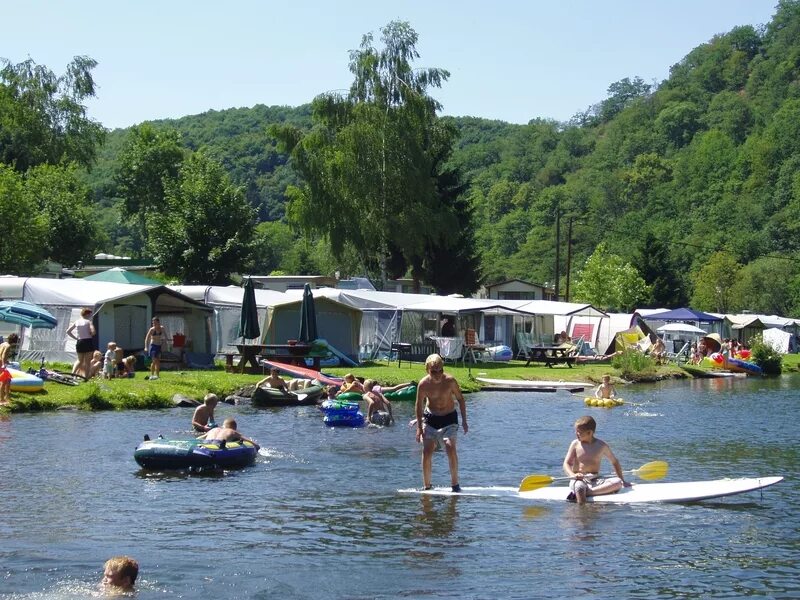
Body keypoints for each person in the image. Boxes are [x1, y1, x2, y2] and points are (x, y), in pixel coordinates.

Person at [415, 353, 468, 492]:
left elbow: (461, 399)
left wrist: (464, 421)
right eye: (434, 372)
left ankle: (455, 485)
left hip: (449, 418)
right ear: (427, 370)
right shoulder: (423, 384)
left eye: (440, 371)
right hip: (431, 418)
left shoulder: (450, 381)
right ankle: (427, 486)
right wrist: (419, 428)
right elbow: (418, 405)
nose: (438, 374)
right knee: (427, 451)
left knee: (450, 447)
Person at [563, 415, 629, 505]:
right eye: (576, 431)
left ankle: (589, 492)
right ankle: (583, 511)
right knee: (580, 487)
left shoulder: (601, 445)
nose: (576, 434)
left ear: (590, 433)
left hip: (595, 479)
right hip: (579, 479)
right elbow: (567, 463)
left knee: (617, 482)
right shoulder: (575, 444)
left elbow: (615, 462)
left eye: (579, 432)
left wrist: (623, 480)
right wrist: (572, 475)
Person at [67, 307, 95, 379]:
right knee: (87, 361)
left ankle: (72, 374)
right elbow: (93, 332)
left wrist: (75, 338)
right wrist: (91, 333)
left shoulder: (77, 321)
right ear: (87, 314)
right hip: (87, 341)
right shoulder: (89, 322)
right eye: (90, 315)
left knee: (79, 360)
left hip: (80, 341)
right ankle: (85, 377)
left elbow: (68, 331)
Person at [0, 333, 18, 405]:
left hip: (1, 363)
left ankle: (7, 397)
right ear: (14, 341)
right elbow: (4, 355)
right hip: (1, 365)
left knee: (8, 380)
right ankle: (1, 400)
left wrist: (6, 361)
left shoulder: (3, 343)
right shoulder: (8, 346)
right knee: (3, 382)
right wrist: (4, 364)